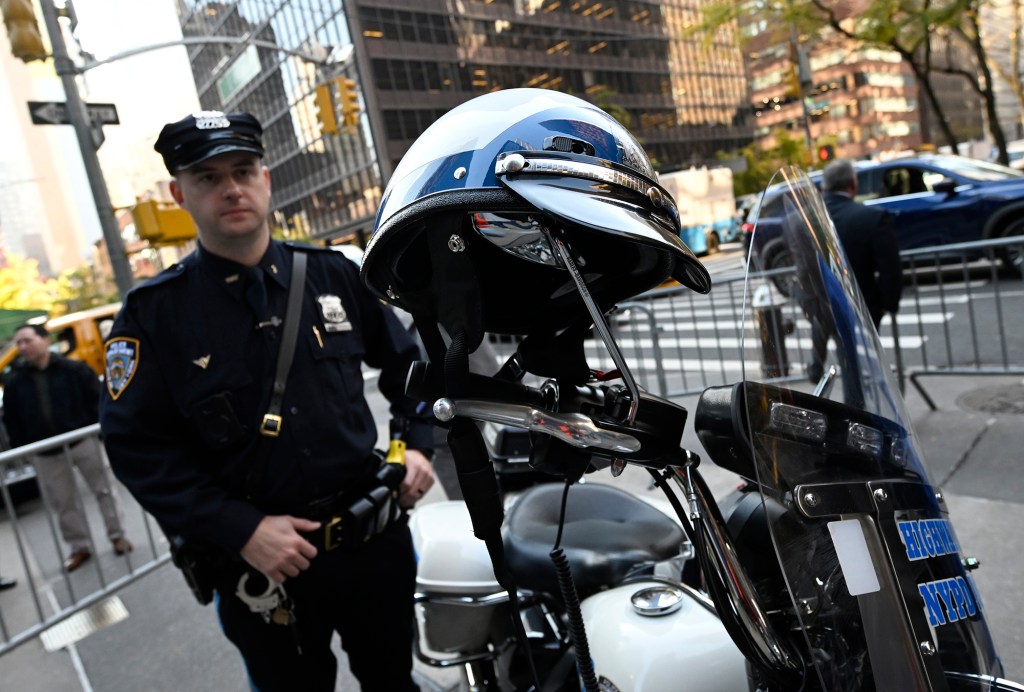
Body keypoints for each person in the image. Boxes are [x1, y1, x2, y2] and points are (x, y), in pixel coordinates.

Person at [98, 110, 436, 692]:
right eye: (207, 177)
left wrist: (413, 446)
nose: (230, 188)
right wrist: (240, 528)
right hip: (260, 568)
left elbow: (409, 365)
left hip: (371, 545)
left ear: (266, 178)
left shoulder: (336, 276)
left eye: (243, 170)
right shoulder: (156, 314)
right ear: (179, 193)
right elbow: (136, 448)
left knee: (394, 682)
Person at [2, 324, 132, 573]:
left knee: (104, 489)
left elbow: (97, 401)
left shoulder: (73, 369)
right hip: (46, 453)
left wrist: (97, 432)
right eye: (19, 343)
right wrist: (24, 448)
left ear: (44, 340)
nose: (22, 347)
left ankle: (118, 535)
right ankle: (79, 547)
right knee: (63, 503)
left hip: (83, 442)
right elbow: (12, 420)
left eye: (27, 341)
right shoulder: (16, 383)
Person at [821, 158, 903, 329]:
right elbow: (890, 269)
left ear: (825, 185)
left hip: (823, 307)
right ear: (853, 183)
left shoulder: (802, 220)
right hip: (864, 306)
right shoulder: (872, 217)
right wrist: (886, 305)